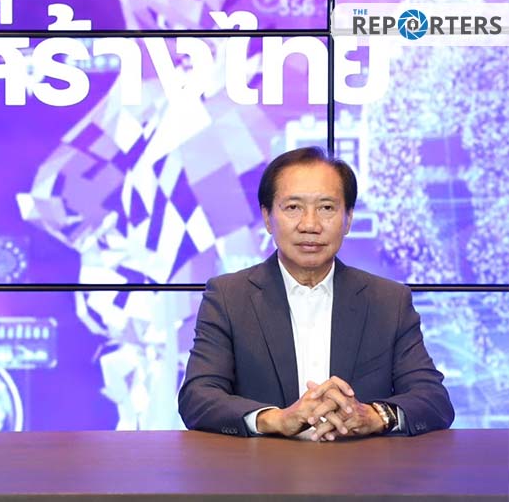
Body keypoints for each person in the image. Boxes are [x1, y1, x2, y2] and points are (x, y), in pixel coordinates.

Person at [178, 147, 454, 440]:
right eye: (293, 207)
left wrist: (375, 416)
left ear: (348, 219)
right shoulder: (228, 297)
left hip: (363, 466)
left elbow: (433, 399)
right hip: (262, 466)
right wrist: (276, 419)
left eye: (326, 208)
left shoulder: (388, 301)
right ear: (268, 218)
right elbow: (198, 397)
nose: (310, 225)